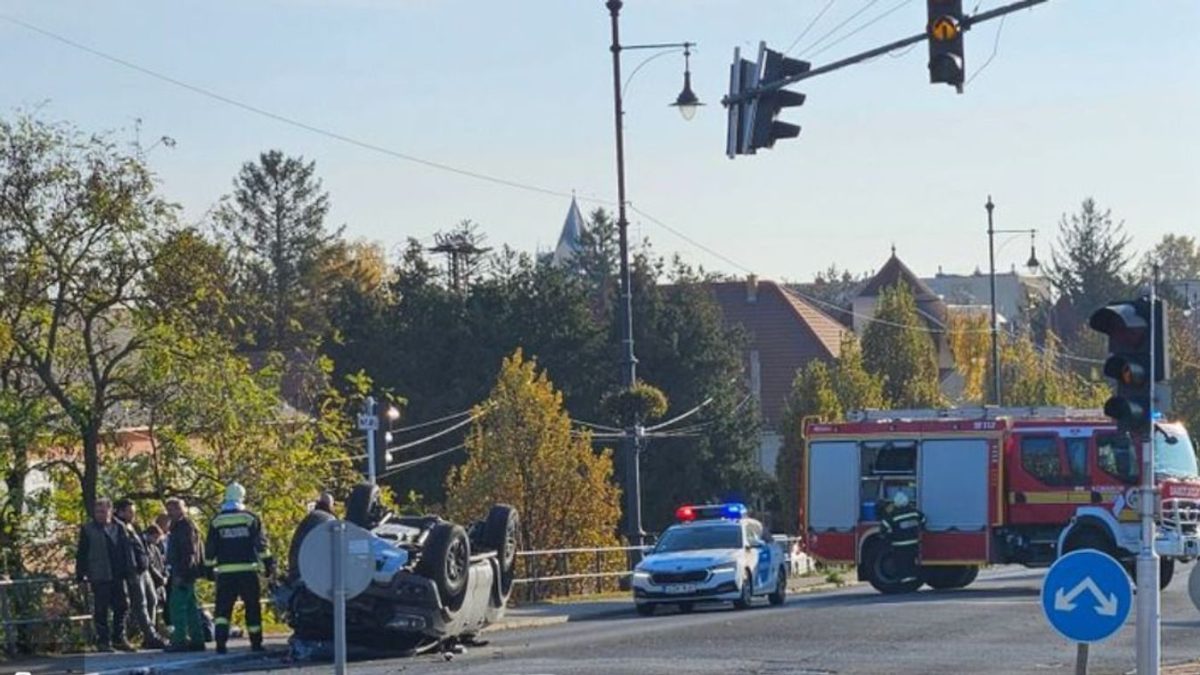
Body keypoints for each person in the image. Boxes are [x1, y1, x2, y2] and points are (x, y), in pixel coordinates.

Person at [205, 482, 275, 654]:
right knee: (252, 607)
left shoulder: (217, 520)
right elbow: (261, 544)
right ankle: (256, 643)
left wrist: (208, 569)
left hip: (225, 572)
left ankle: (220, 644)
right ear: (242, 497)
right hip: (248, 571)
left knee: (222, 610)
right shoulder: (250, 518)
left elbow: (210, 548)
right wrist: (268, 564)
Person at [74, 497, 134, 652]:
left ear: (110, 510)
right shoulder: (88, 529)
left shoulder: (120, 527)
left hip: (118, 573)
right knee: (101, 609)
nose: (99, 514)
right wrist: (80, 575)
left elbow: (127, 550)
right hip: (99, 573)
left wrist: (130, 570)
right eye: (97, 511)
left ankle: (119, 638)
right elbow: (82, 553)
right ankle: (103, 641)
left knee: (122, 606)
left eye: (103, 511)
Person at [114, 499, 166, 649]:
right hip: (132, 570)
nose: (133, 515)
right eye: (130, 512)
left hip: (144, 569)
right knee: (140, 603)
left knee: (152, 600)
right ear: (121, 511)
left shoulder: (133, 526)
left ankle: (151, 633)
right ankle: (150, 636)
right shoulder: (118, 527)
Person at [164, 498, 206, 652]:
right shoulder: (186, 526)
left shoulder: (183, 527)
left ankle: (180, 640)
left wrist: (181, 573)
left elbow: (188, 552)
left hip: (182, 572)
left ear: (182, 509)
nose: (170, 513)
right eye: (169, 509)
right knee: (190, 608)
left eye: (174, 509)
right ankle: (197, 639)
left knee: (177, 607)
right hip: (189, 572)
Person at [286, 492, 335, 584]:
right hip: (311, 569)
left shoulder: (311, 517)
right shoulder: (327, 519)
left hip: (297, 563)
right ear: (330, 505)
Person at [879, 490, 926, 585]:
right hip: (914, 542)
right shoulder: (914, 512)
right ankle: (914, 576)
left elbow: (884, 526)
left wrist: (884, 535)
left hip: (899, 544)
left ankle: (904, 578)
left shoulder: (893, 514)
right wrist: (920, 528)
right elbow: (923, 519)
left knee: (901, 562)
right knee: (912, 561)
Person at [143, 525, 168, 628]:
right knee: (151, 603)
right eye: (156, 537)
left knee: (157, 604)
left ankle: (158, 628)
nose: (157, 540)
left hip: (159, 582)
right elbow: (150, 565)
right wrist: (160, 578)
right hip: (152, 581)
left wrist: (165, 575)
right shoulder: (145, 547)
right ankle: (151, 628)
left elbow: (162, 564)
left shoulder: (156, 548)